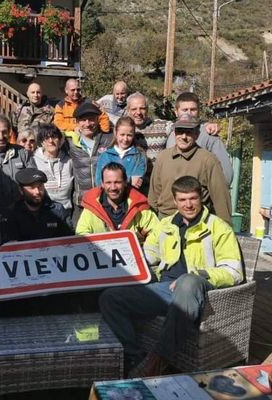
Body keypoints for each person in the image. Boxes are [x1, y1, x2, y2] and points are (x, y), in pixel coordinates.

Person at [99, 176, 242, 375]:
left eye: (193, 198)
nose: (188, 205)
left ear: (201, 198)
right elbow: (149, 255)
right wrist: (123, 265)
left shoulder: (218, 228)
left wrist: (198, 274)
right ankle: (135, 357)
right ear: (175, 201)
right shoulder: (165, 224)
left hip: (197, 291)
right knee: (110, 297)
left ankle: (158, 359)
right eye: (182, 200)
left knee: (187, 282)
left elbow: (234, 272)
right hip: (163, 289)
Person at [148, 114, 232, 224]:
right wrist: (150, 222)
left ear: (197, 134)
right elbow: (154, 194)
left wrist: (225, 228)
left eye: (188, 132)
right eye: (179, 131)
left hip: (196, 224)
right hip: (164, 222)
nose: (183, 136)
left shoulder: (208, 160)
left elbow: (220, 198)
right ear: (174, 133)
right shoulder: (163, 157)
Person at [165, 92, 233, 185]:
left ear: (199, 111)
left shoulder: (210, 136)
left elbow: (226, 175)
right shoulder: (171, 134)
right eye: (184, 110)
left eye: (193, 110)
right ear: (176, 112)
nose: (189, 113)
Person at [76, 162, 158, 239]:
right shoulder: (92, 207)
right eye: (108, 182)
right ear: (102, 184)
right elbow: (81, 235)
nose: (113, 188)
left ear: (125, 182)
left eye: (117, 182)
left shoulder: (138, 206)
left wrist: (140, 241)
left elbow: (156, 232)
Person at [64, 102, 113, 224]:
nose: (87, 124)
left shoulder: (109, 140)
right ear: (77, 122)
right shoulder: (69, 142)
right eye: (83, 120)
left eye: (91, 119)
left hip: (105, 201)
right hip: (81, 203)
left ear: (97, 120)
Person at [4, 168, 73, 241]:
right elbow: (9, 244)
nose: (37, 191)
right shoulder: (12, 213)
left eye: (40, 186)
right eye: (31, 187)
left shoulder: (57, 210)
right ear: (21, 190)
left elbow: (69, 237)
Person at [95, 116, 146, 189]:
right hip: (109, 198)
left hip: (131, 198)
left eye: (129, 135)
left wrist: (111, 180)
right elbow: (99, 181)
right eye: (122, 135)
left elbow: (137, 182)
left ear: (134, 135)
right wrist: (129, 179)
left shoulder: (139, 156)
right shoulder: (106, 155)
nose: (125, 139)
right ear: (116, 133)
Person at [33, 124, 73, 211]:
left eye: (54, 137)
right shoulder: (34, 161)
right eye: (46, 138)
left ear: (59, 140)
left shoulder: (69, 161)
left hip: (66, 210)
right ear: (42, 142)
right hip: (44, 210)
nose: (51, 141)